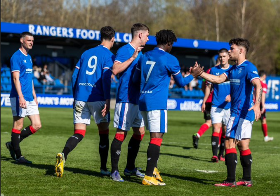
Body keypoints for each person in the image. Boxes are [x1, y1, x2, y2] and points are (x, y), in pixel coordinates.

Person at [133, 29, 203, 185]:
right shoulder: (170, 59)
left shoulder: (144, 56)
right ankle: (149, 175)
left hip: (143, 100)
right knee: (156, 138)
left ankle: (154, 169)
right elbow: (181, 83)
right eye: (172, 45)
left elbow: (135, 79)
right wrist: (194, 75)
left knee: (158, 135)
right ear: (169, 43)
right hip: (157, 102)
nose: (172, 47)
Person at [195, 38, 262, 187]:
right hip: (239, 113)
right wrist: (201, 74)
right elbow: (217, 79)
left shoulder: (248, 67)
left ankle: (230, 180)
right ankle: (246, 179)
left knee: (229, 143)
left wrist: (257, 104)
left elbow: (258, 85)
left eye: (232, 48)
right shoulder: (233, 69)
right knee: (242, 146)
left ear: (241, 50)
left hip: (242, 113)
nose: (229, 51)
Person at [54, 26, 115, 177]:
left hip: (80, 97)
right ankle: (103, 168)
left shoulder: (86, 53)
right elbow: (106, 79)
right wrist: (108, 99)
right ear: (112, 39)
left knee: (79, 133)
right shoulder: (109, 56)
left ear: (100, 37)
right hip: (98, 97)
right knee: (104, 133)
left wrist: (75, 97)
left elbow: (74, 77)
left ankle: (64, 154)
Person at [110, 23, 149, 182]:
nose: (148, 38)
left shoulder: (141, 53)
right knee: (121, 133)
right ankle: (114, 171)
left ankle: (130, 167)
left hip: (137, 99)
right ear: (140, 35)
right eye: (147, 35)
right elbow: (115, 70)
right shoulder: (125, 50)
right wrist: (132, 57)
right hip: (126, 98)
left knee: (140, 133)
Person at [6, 32, 42, 164]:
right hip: (18, 96)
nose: (31, 42)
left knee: (37, 125)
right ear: (22, 40)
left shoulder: (29, 57)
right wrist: (21, 97)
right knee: (18, 124)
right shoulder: (16, 57)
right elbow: (16, 78)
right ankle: (19, 156)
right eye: (29, 40)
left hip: (29, 97)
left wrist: (34, 96)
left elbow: (29, 78)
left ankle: (12, 143)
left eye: (32, 40)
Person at [207, 49, 231, 162]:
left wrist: (232, 96)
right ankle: (215, 155)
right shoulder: (213, 70)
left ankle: (222, 154)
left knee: (226, 131)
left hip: (229, 106)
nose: (222, 58)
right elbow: (208, 86)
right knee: (216, 128)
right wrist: (204, 100)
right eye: (220, 57)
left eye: (224, 56)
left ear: (228, 57)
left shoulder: (233, 70)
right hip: (216, 105)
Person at [192, 67, 213, 149]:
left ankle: (197, 135)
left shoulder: (209, 70)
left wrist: (206, 97)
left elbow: (203, 86)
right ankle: (218, 148)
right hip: (217, 101)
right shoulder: (226, 70)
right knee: (220, 125)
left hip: (208, 100)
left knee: (208, 122)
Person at [258, 70, 273, 142]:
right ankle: (266, 137)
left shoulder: (254, 81)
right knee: (263, 120)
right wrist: (263, 106)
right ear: (264, 76)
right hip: (259, 104)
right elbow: (262, 95)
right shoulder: (263, 84)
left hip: (251, 103)